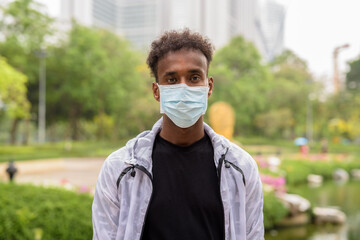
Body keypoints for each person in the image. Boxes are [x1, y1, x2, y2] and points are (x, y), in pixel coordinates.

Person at [92, 29, 264, 240]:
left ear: (208, 87)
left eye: (193, 77)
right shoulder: (121, 168)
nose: (184, 88)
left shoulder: (241, 167)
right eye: (172, 80)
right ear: (157, 91)